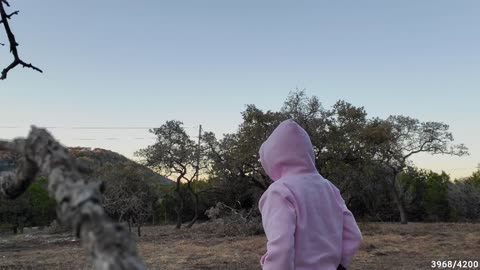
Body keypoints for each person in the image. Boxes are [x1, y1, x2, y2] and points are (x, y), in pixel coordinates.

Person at [258, 119, 362, 270]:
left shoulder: (279, 192)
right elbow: (354, 235)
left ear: (272, 158)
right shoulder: (330, 188)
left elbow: (282, 248)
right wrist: (341, 264)